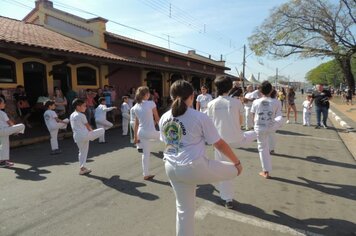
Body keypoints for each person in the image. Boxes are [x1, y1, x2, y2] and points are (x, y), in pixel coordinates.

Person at [159, 80, 242, 236]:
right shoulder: (198, 117)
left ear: (171, 96)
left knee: (183, 211)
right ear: (192, 96)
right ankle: (228, 193)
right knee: (234, 171)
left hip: (171, 167)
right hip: (194, 167)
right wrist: (237, 163)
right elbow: (218, 144)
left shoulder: (164, 117)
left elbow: (167, 142)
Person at [206, 76, 256, 209]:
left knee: (224, 170)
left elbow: (210, 124)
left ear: (216, 88)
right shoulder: (236, 102)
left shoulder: (211, 104)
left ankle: (227, 199)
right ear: (230, 88)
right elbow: (240, 121)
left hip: (220, 142)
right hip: (237, 138)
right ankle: (260, 132)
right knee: (250, 135)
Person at [251, 81, 283, 179]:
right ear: (271, 90)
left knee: (262, 148)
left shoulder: (256, 102)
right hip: (271, 126)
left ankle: (265, 171)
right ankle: (271, 148)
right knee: (270, 138)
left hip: (259, 127)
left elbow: (253, 116)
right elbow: (279, 115)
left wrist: (255, 126)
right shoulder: (277, 102)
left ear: (260, 90)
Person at [132, 86, 160, 180]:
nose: (149, 94)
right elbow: (157, 118)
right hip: (150, 132)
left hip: (141, 132)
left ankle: (146, 174)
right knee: (171, 139)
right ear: (146, 94)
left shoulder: (135, 106)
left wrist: (135, 137)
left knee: (145, 153)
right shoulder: (151, 103)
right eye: (148, 93)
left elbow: (136, 123)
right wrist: (164, 130)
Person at [70, 98, 104, 175]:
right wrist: (92, 133)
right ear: (78, 107)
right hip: (85, 135)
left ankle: (82, 168)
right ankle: (92, 137)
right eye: (84, 106)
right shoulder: (81, 115)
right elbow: (87, 126)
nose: (86, 107)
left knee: (82, 152)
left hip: (77, 136)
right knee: (102, 129)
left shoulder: (72, 115)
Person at [0, 98, 25, 167]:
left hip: (3, 131)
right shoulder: (2, 113)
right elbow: (9, 123)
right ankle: (17, 132)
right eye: (3, 103)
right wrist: (15, 129)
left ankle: (2, 161)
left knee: (4, 145)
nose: (4, 104)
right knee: (22, 125)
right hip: (4, 130)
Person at [268, 89, 282, 154]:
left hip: (267, 119)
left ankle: (269, 149)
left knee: (268, 135)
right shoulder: (278, 102)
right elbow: (279, 111)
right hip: (275, 119)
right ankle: (271, 149)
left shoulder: (266, 101)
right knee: (272, 135)